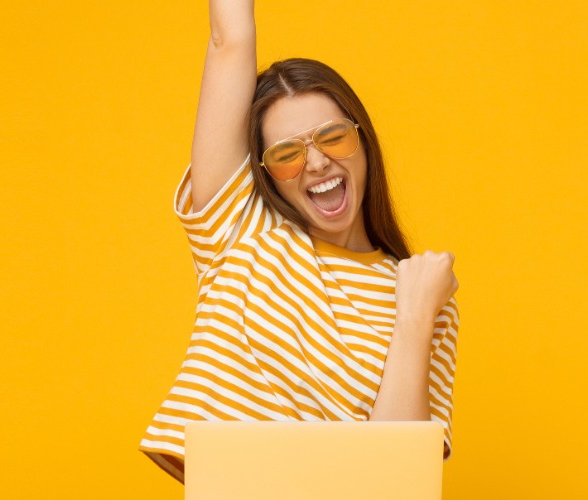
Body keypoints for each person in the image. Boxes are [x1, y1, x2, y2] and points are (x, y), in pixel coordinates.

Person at [137, 0, 460, 484]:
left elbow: (397, 482)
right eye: (287, 153)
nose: (315, 163)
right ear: (267, 173)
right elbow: (230, 40)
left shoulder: (424, 294)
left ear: (362, 140)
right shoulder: (239, 227)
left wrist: (413, 314)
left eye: (331, 137)